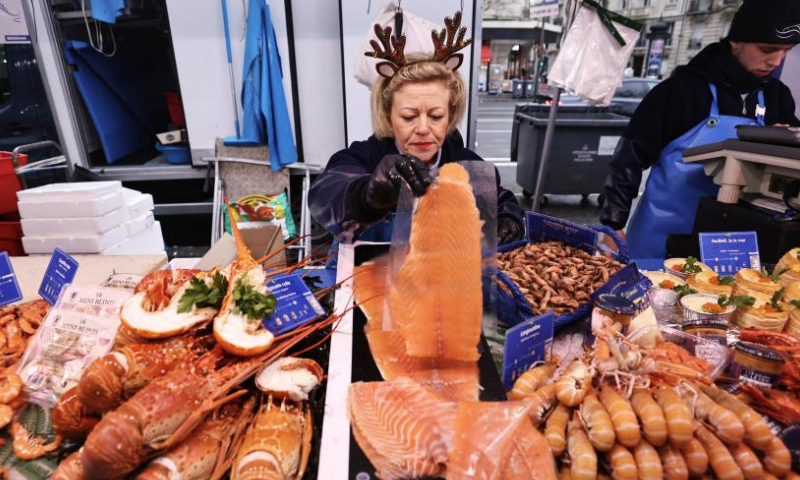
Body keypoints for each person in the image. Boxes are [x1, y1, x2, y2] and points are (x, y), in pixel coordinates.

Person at [600, 0, 800, 259]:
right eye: (766, 49)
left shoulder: (777, 97)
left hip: (733, 246)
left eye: (786, 50)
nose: (776, 60)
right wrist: (612, 225)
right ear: (737, 41)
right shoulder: (680, 91)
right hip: (661, 237)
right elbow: (629, 158)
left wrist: (782, 143)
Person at [309, 11, 524, 246]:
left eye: (436, 116)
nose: (423, 128)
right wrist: (366, 194)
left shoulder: (469, 167)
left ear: (450, 116)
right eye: (409, 116)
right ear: (389, 116)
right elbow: (325, 193)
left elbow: (503, 200)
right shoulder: (363, 157)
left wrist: (509, 218)